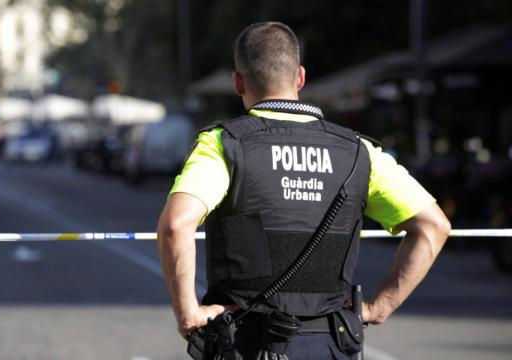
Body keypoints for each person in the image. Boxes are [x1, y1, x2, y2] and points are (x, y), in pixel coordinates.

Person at [157, 22, 451, 359]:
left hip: (244, 339)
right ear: (299, 77)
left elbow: (176, 224)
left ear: (238, 82)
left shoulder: (224, 145)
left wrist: (188, 314)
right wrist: (379, 307)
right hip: (331, 342)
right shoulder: (359, 152)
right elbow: (434, 226)